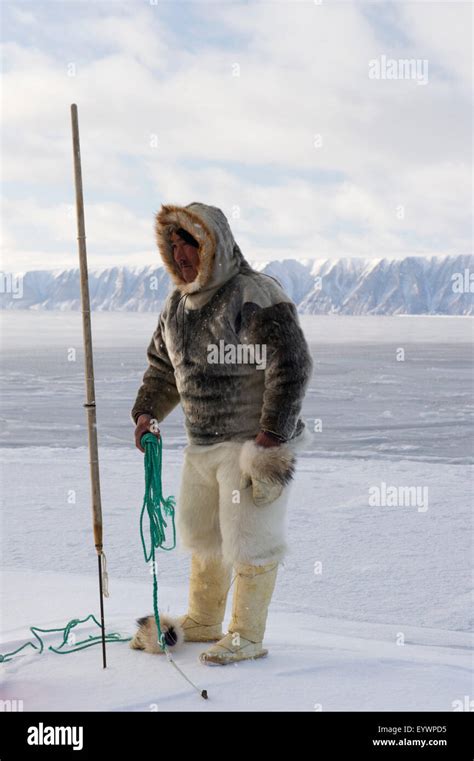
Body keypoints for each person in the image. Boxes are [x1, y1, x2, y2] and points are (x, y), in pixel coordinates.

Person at [129, 202, 312, 665]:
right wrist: (147, 412)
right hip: (203, 446)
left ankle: (246, 634)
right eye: (172, 245)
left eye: (188, 242)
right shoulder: (175, 305)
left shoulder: (254, 294)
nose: (179, 254)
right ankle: (205, 620)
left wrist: (272, 434)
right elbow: (163, 367)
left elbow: (291, 365)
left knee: (250, 539)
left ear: (212, 244)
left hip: (250, 445)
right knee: (204, 535)